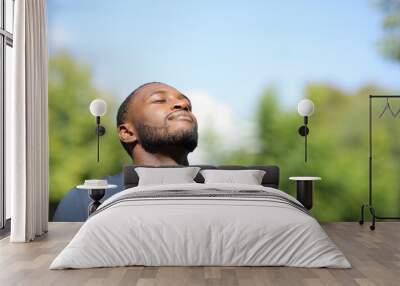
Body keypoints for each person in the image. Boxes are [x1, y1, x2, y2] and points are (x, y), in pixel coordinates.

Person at [53, 82, 199, 221]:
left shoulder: (216, 193)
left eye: (188, 105)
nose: (183, 104)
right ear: (127, 133)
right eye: (160, 100)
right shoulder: (83, 200)